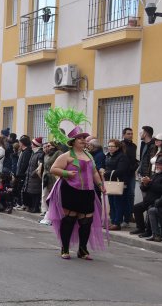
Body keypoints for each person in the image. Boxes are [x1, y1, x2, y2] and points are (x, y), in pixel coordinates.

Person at [46, 108, 106, 260]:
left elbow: (93, 173)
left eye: (85, 139)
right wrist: (66, 173)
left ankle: (82, 250)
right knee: (69, 220)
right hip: (71, 190)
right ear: (73, 142)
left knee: (86, 221)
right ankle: (65, 248)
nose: (84, 141)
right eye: (80, 139)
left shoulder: (89, 156)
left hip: (87, 191)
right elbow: (54, 169)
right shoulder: (67, 156)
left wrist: (100, 185)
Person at [130, 157, 162, 237]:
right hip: (148, 199)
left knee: (150, 210)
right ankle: (140, 227)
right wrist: (144, 184)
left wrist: (149, 183)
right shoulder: (155, 174)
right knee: (136, 208)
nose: (157, 166)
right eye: (157, 164)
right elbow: (144, 188)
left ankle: (149, 231)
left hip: (157, 200)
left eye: (159, 165)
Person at [102, 139, 130, 231]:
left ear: (117, 147)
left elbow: (121, 170)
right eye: (109, 146)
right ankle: (113, 221)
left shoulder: (122, 157)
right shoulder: (108, 156)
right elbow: (106, 166)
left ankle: (117, 223)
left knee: (118, 203)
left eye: (112, 146)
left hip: (118, 182)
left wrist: (106, 173)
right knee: (111, 203)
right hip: (110, 182)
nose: (110, 148)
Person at [122, 128, 138, 226]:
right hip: (122, 174)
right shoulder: (120, 145)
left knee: (130, 195)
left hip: (131, 174)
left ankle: (128, 218)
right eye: (128, 134)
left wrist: (136, 165)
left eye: (131, 134)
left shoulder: (134, 146)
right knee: (122, 195)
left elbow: (133, 159)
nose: (130, 135)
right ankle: (121, 218)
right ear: (123, 134)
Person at [24, 137, 45, 213]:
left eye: (32, 144)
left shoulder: (39, 154)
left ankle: (35, 208)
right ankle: (33, 207)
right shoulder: (34, 153)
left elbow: (40, 166)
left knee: (36, 193)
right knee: (32, 193)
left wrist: (33, 173)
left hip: (35, 177)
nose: (31, 145)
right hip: (31, 176)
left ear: (35, 145)